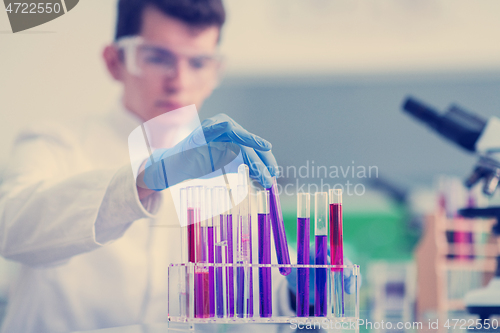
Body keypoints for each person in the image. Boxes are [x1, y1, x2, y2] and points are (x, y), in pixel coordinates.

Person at [0, 1, 287, 332]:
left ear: (215, 73)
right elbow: (10, 230)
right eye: (158, 57)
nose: (178, 80)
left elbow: (247, 297)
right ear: (114, 61)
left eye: (198, 62)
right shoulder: (55, 142)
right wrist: (141, 180)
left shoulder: (228, 168)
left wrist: (294, 296)